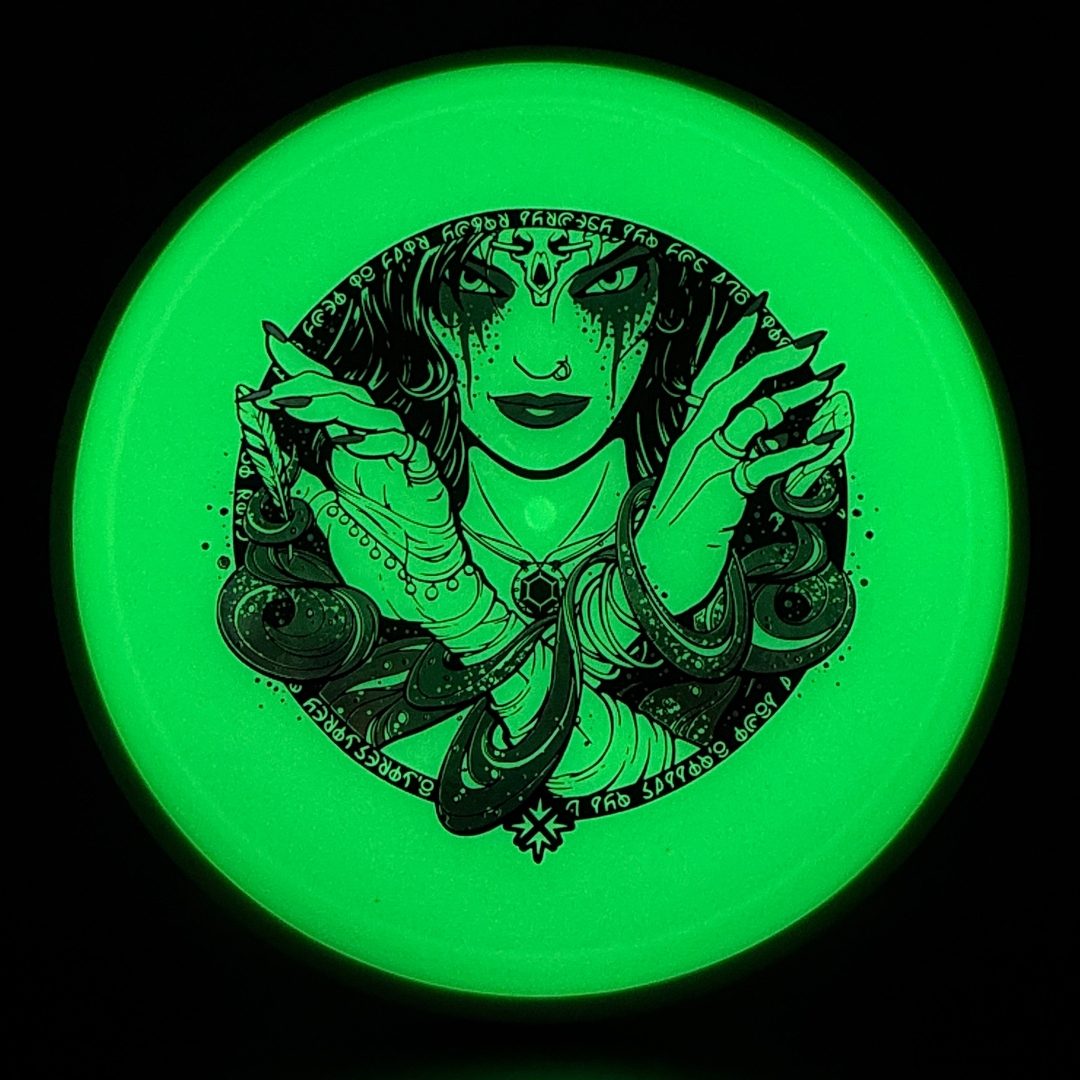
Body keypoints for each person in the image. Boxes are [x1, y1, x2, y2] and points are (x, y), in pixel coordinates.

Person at [220, 214, 854, 837]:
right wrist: (626, 600)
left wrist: (455, 603)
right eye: (481, 287)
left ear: (662, 310)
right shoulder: (349, 565)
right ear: (428, 315)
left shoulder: (749, 586)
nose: (542, 358)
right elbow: (347, 815)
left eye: (607, 286)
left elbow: (724, 819)